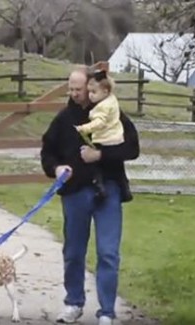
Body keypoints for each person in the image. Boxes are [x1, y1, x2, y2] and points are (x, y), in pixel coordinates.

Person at [39, 66, 140, 325]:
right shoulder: (63, 120)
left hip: (108, 189)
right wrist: (56, 168)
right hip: (75, 192)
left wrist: (101, 155)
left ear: (93, 87)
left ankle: (106, 311)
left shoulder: (112, 114)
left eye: (79, 89)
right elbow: (47, 151)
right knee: (73, 251)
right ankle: (73, 303)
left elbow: (132, 148)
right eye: (70, 89)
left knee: (108, 252)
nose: (74, 94)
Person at [74, 69, 125, 202]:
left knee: (94, 163)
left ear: (105, 91)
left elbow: (99, 123)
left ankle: (100, 186)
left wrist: (84, 129)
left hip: (106, 138)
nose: (90, 95)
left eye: (94, 92)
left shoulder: (102, 107)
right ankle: (121, 187)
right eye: (89, 91)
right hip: (116, 136)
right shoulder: (112, 101)